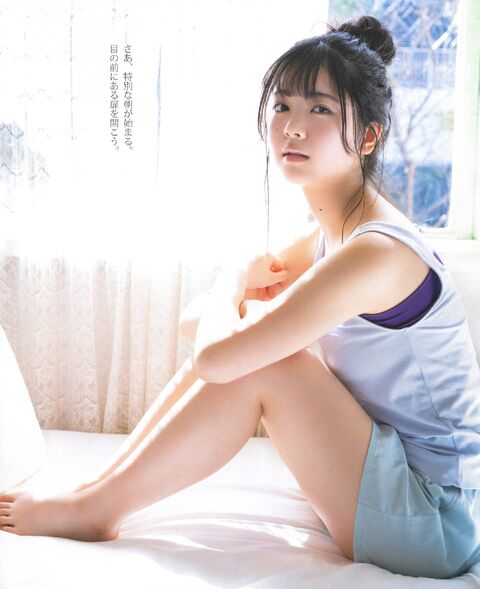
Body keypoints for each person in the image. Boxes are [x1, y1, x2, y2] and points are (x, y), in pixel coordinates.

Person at [1, 14, 480, 579]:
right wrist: (236, 313)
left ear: (369, 136)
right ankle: (95, 493)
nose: (293, 127)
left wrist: (233, 279)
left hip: (438, 523)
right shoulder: (332, 237)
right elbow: (196, 325)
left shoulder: (376, 252)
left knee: (268, 360)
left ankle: (96, 508)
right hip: (398, 490)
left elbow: (217, 356)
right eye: (283, 105)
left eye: (320, 110)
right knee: (254, 344)